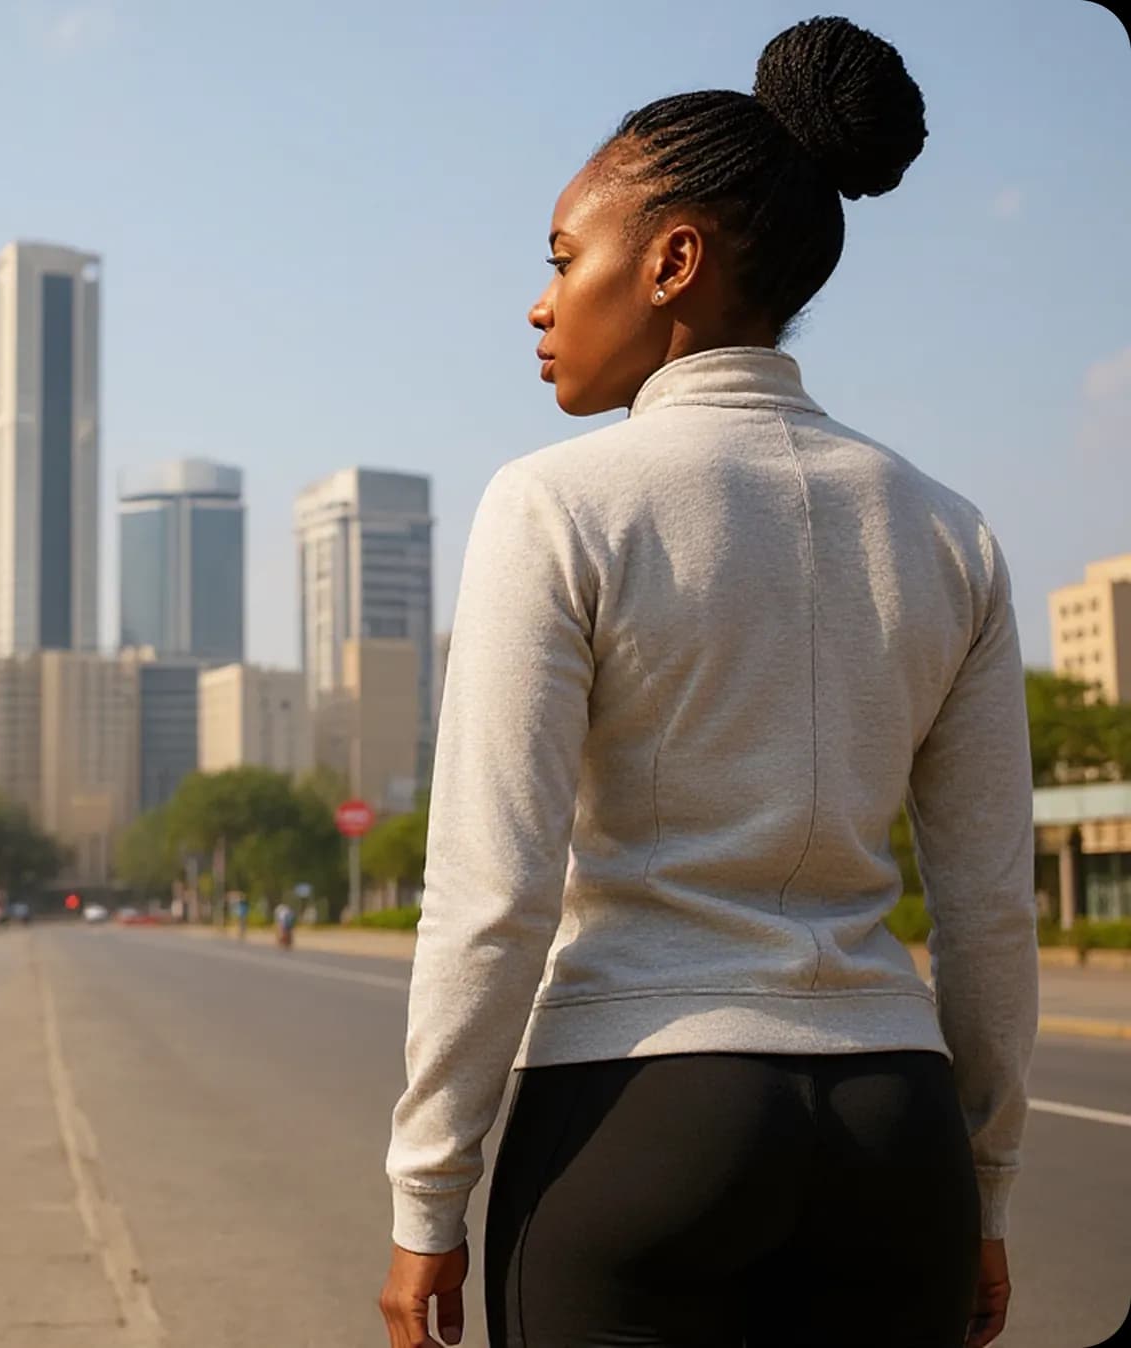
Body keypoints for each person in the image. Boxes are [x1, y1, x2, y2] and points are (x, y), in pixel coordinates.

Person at [379, 20, 1033, 1348]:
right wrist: (986, 1190)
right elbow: (987, 914)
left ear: (674, 260)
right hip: (895, 1138)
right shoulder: (948, 530)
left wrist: (428, 1198)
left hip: (636, 1125)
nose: (541, 300)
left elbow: (492, 894)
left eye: (565, 258)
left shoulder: (555, 506)